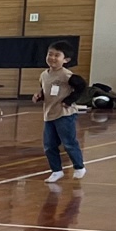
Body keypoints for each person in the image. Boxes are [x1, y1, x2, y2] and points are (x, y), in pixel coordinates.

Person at [33, 42, 87, 183]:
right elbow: (46, 91)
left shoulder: (67, 75)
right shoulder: (44, 75)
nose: (52, 58)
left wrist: (69, 100)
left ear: (66, 60)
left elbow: (82, 87)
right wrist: (39, 96)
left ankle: (79, 166)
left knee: (68, 142)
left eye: (57, 55)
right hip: (49, 114)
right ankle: (56, 171)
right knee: (49, 144)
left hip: (65, 114)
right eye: (50, 54)